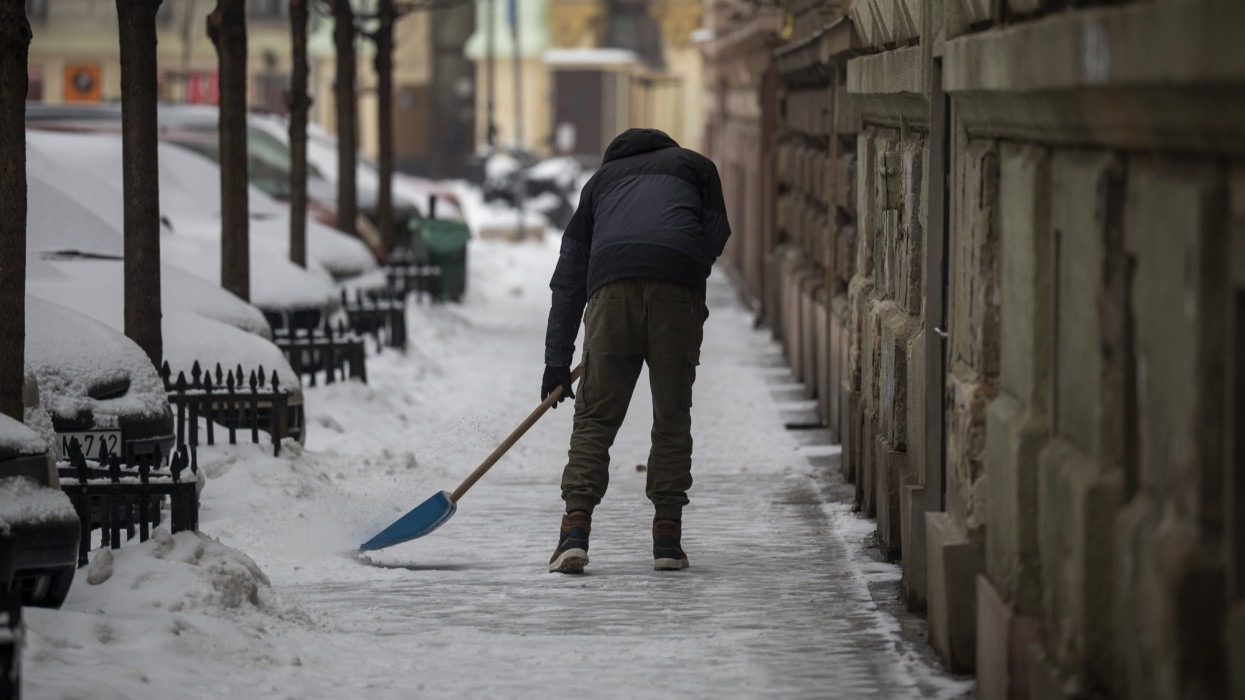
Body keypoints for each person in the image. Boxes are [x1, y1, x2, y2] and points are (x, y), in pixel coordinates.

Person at [541, 128, 731, 574]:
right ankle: (667, 538)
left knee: (595, 417)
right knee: (671, 414)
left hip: (610, 295)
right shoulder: (697, 168)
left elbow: (570, 273)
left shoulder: (600, 183)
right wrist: (680, 266)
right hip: (676, 295)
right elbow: (716, 233)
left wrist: (556, 359)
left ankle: (574, 533)